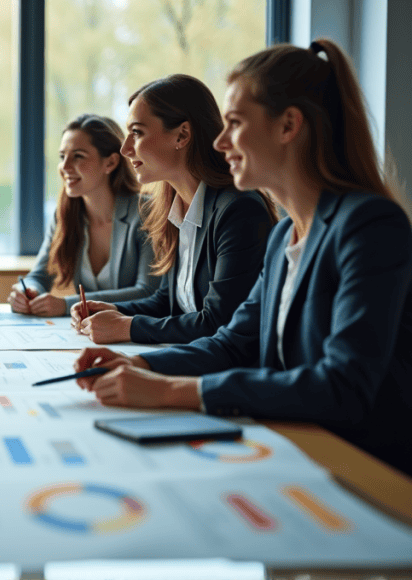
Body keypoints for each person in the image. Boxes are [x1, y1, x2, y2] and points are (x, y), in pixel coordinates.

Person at [72, 39, 412, 476]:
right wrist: (137, 363)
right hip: (295, 447)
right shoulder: (285, 235)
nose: (220, 141)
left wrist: (173, 391)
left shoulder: (369, 225)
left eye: (234, 123)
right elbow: (233, 343)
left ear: (289, 125)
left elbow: (342, 386)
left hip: (365, 469)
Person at [70, 74, 277, 344]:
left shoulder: (239, 211)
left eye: (137, 133)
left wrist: (127, 327)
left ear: (182, 135)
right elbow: (168, 301)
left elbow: (218, 321)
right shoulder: (174, 208)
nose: (125, 149)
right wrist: (114, 311)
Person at [10, 114, 159, 317]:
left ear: (111, 162)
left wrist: (68, 305)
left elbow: (148, 292)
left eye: (78, 156)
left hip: (135, 332)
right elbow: (38, 276)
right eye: (62, 157)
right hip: (92, 334)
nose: (65, 167)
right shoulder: (65, 214)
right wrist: (26, 291)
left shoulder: (145, 212)